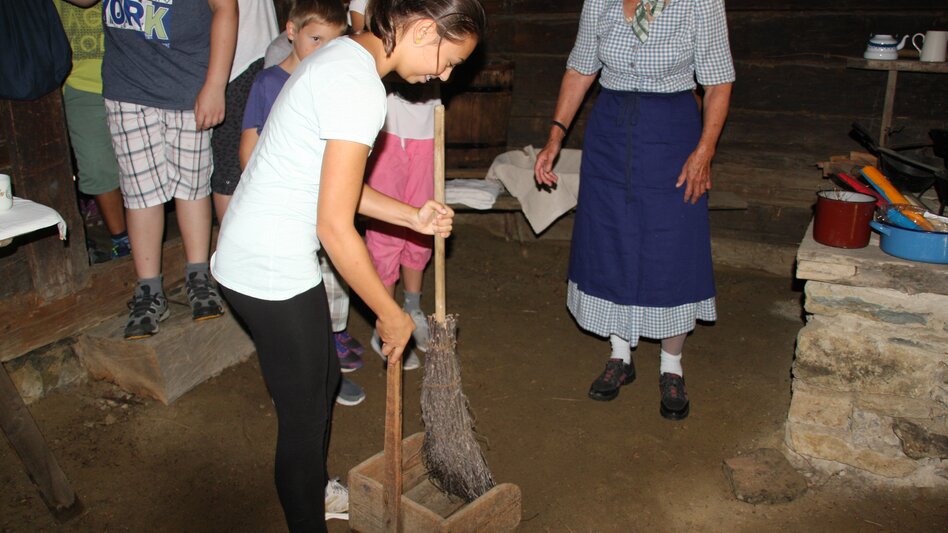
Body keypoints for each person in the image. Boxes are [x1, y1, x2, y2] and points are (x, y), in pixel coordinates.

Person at [211, 0, 485, 527]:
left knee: (319, 388)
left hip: (263, 251)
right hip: (269, 266)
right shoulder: (359, 87)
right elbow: (334, 226)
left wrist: (412, 216)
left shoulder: (344, 57)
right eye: (449, 60)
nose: (445, 76)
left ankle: (314, 490)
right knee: (304, 417)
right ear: (425, 30)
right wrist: (388, 311)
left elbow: (332, 184)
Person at [533, 0, 735, 420]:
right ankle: (620, 355)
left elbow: (718, 81)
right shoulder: (601, 1)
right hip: (610, 131)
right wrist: (555, 137)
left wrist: (705, 151)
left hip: (672, 132)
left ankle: (671, 364)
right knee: (611, 238)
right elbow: (581, 68)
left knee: (672, 244)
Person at [238, 0, 366, 407]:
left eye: (335, 41)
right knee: (298, 312)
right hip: (288, 217)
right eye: (316, 39)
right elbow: (251, 150)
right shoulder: (269, 83)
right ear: (290, 31)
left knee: (330, 293)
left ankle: (329, 370)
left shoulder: (336, 84)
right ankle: (306, 380)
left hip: (325, 212)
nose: (325, 50)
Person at [101, 0, 237, 339]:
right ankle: (149, 290)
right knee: (139, 192)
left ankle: (198, 275)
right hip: (127, 85)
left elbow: (226, 9)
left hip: (187, 85)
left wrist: (215, 84)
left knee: (192, 187)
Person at [350, 0, 437, 371]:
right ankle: (384, 318)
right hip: (384, 127)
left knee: (422, 221)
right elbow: (364, 39)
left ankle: (412, 309)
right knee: (386, 228)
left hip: (426, 128)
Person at [55, 0, 130, 262]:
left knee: (141, 166)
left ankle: (144, 233)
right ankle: (121, 239)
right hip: (79, 80)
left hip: (134, 74)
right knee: (97, 167)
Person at [210, 0, 279, 220]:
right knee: (232, 168)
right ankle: (233, 246)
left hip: (250, 54)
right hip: (243, 58)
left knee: (246, 163)